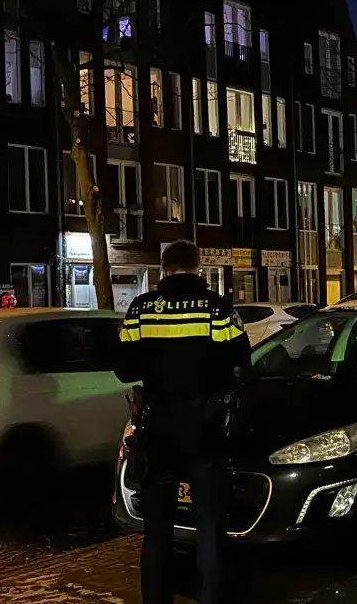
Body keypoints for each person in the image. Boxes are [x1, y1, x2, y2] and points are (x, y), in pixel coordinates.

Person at [114, 240, 251, 604]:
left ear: (164, 268)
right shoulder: (217, 309)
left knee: (157, 531)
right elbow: (242, 364)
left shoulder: (142, 308)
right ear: (198, 265)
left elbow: (123, 368)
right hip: (205, 428)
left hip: (158, 427)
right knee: (209, 526)